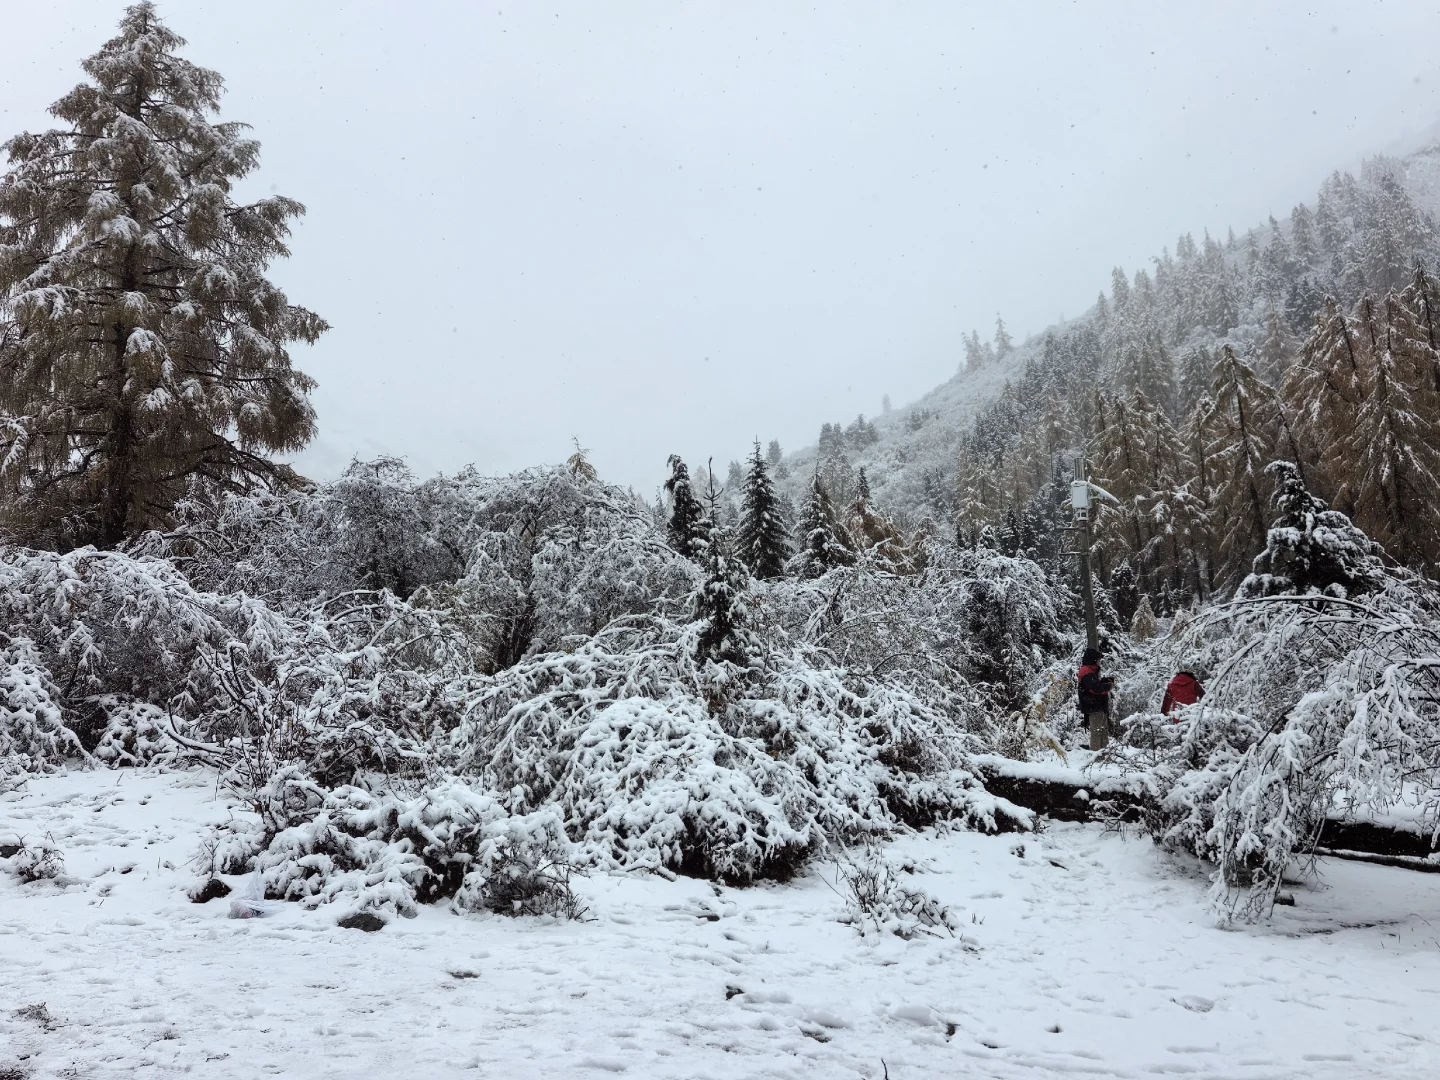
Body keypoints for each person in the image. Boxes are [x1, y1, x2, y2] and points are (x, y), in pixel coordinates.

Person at [1077, 647, 1115, 750]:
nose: (1100, 662)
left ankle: (1103, 754)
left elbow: (1095, 685)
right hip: (1094, 706)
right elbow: (1094, 688)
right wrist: (1108, 686)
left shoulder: (1091, 670)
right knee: (1097, 731)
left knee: (1103, 730)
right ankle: (1096, 756)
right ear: (1093, 659)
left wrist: (1105, 681)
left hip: (1098, 706)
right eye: (1098, 659)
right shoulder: (1086, 671)